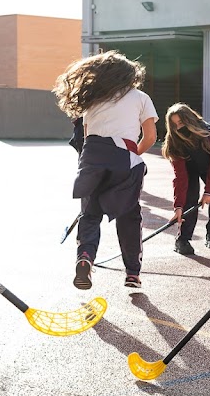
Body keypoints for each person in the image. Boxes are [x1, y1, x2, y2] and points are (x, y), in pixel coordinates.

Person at [53, 51, 158, 289]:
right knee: (129, 217)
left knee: (89, 216)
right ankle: (132, 272)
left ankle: (85, 259)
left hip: (91, 158)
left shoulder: (94, 100)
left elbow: (88, 138)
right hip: (124, 157)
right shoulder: (140, 97)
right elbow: (151, 136)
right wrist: (134, 154)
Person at [162, 103, 210, 255]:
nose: (178, 128)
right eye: (174, 125)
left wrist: (209, 191)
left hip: (209, 166)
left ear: (190, 120)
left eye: (181, 123)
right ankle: (182, 239)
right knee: (189, 200)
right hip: (188, 169)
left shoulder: (208, 132)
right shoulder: (174, 142)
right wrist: (178, 206)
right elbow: (180, 177)